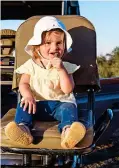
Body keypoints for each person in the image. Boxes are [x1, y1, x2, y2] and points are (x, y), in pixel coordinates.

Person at [5, 16, 87, 149]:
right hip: (36, 104)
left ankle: (68, 133)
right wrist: (27, 95)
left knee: (69, 108)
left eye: (59, 43)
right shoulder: (30, 65)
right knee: (23, 106)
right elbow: (23, 84)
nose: (54, 47)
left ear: (64, 45)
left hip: (59, 105)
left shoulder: (66, 66)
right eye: (48, 43)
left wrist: (61, 69)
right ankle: (23, 130)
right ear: (37, 46)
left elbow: (67, 90)